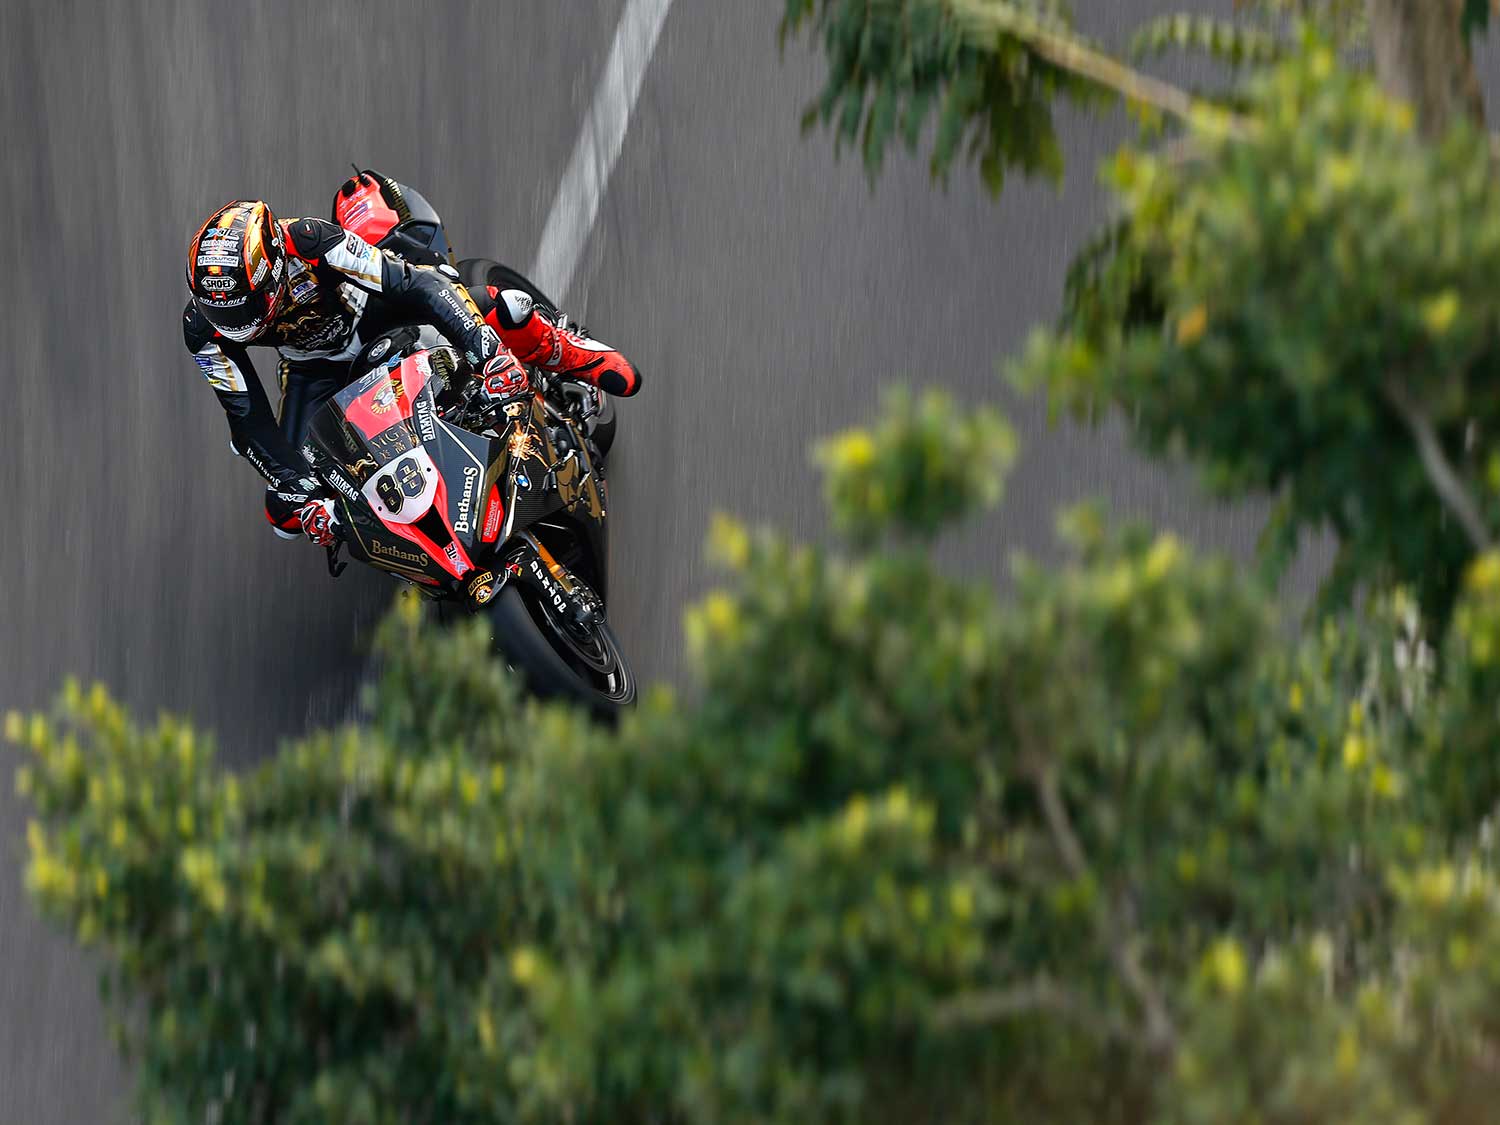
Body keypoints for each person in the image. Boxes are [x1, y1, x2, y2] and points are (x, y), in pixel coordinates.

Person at [183, 197, 640, 547]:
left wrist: (487, 352)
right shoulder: (204, 329)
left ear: (274, 266)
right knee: (284, 513)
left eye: (245, 303)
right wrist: (305, 495)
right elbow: (247, 422)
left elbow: (412, 284)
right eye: (222, 309)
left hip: (380, 311)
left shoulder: (309, 241)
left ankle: (561, 348)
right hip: (315, 370)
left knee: (493, 308)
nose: (236, 321)